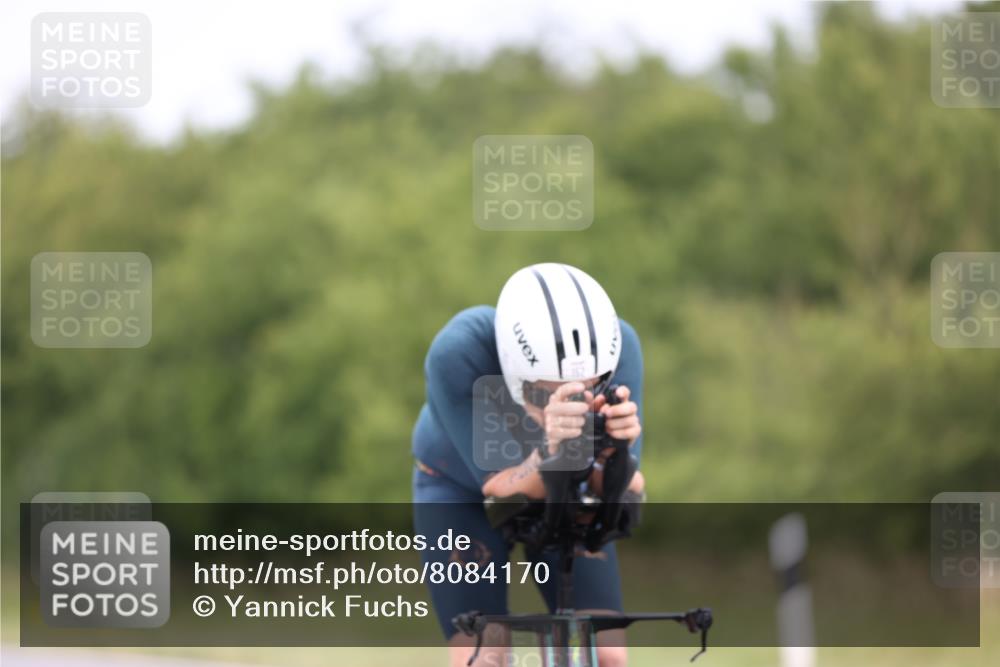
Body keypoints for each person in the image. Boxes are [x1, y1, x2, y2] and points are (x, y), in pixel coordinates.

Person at [412, 263, 645, 667]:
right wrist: (551, 449)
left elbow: (629, 491)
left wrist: (614, 455)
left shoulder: (621, 346)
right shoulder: (460, 350)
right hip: (459, 490)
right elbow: (502, 489)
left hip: (567, 485)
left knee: (606, 654)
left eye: (591, 387)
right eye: (543, 391)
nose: (571, 400)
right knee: (486, 655)